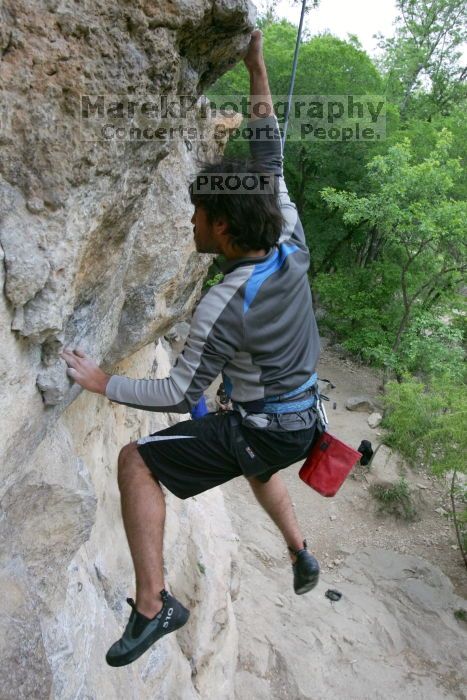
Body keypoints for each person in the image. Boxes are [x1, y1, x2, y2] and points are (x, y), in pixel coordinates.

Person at [61, 30, 321, 668]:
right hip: (301, 416)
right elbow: (269, 148)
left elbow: (177, 393)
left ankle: (153, 604)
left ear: (224, 229)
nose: (191, 223)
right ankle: (299, 548)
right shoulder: (287, 235)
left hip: (265, 427)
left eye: (199, 215)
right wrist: (258, 66)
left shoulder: (224, 303)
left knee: (135, 462)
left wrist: (103, 383)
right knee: (258, 464)